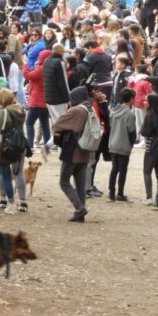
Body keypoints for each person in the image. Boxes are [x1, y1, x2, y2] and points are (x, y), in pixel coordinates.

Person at [52, 87, 92, 222]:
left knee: (64, 181)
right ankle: (81, 214)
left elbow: (57, 124)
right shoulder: (89, 109)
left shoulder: (76, 110)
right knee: (80, 185)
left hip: (72, 150)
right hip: (85, 150)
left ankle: (79, 208)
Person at [108, 87, 137, 202]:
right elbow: (132, 132)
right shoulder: (129, 114)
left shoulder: (114, 111)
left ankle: (111, 192)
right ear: (131, 99)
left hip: (113, 142)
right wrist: (131, 144)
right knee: (123, 170)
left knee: (114, 169)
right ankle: (120, 193)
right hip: (124, 144)